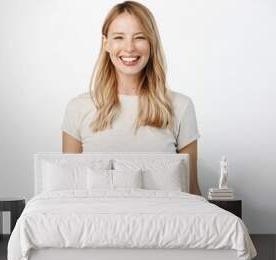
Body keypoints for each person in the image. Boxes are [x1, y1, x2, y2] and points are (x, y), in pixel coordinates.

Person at [61, 1, 201, 195]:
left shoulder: (180, 106)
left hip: (162, 222)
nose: (129, 48)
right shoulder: (78, 108)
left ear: (151, 43)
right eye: (119, 37)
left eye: (139, 37)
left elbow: (191, 190)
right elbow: (67, 192)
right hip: (96, 222)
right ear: (106, 43)